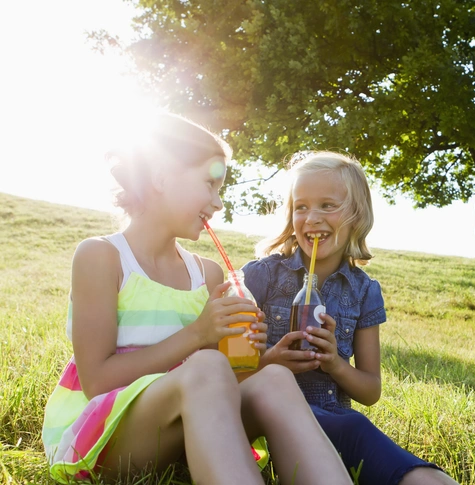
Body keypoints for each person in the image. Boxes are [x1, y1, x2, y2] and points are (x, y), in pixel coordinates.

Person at [41, 114, 352, 485]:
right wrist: (198, 336)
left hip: (187, 430)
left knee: (274, 380)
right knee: (205, 364)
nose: (218, 203)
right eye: (209, 184)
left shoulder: (207, 274)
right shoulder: (101, 257)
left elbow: (221, 387)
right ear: (161, 177)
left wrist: (258, 357)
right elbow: (97, 381)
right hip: (104, 437)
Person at [243, 151, 459, 485]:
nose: (312, 217)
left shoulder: (363, 291)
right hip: (265, 419)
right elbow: (225, 371)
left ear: (356, 216)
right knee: (353, 428)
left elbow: (370, 390)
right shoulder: (262, 277)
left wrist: (335, 365)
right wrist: (272, 361)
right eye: (301, 207)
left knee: (426, 477)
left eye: (327, 206)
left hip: (336, 419)